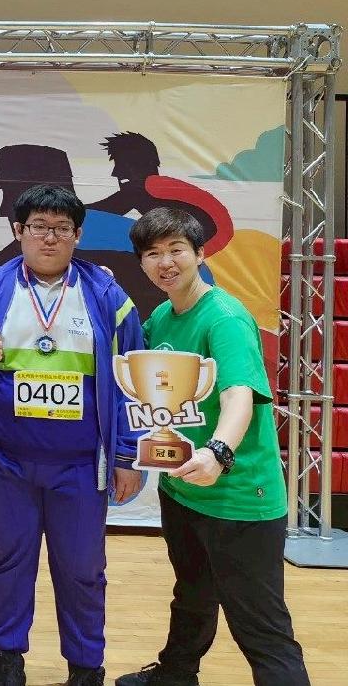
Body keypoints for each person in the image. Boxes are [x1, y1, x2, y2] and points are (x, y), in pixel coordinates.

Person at [0, 184, 145, 686]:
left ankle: (86, 667)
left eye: (61, 228)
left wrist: (127, 456)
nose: (49, 237)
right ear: (19, 231)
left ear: (78, 235)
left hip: (82, 466)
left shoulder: (108, 296)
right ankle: (6, 659)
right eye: (38, 226)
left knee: (82, 569)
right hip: (6, 462)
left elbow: (134, 382)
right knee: (8, 562)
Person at [115, 208, 310, 686]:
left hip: (238, 497)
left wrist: (219, 452)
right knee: (193, 594)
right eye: (153, 253)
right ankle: (176, 675)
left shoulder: (224, 317)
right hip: (183, 490)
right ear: (142, 263)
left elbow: (239, 394)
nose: (166, 262)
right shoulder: (163, 316)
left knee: (260, 625)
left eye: (176, 250)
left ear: (200, 253)